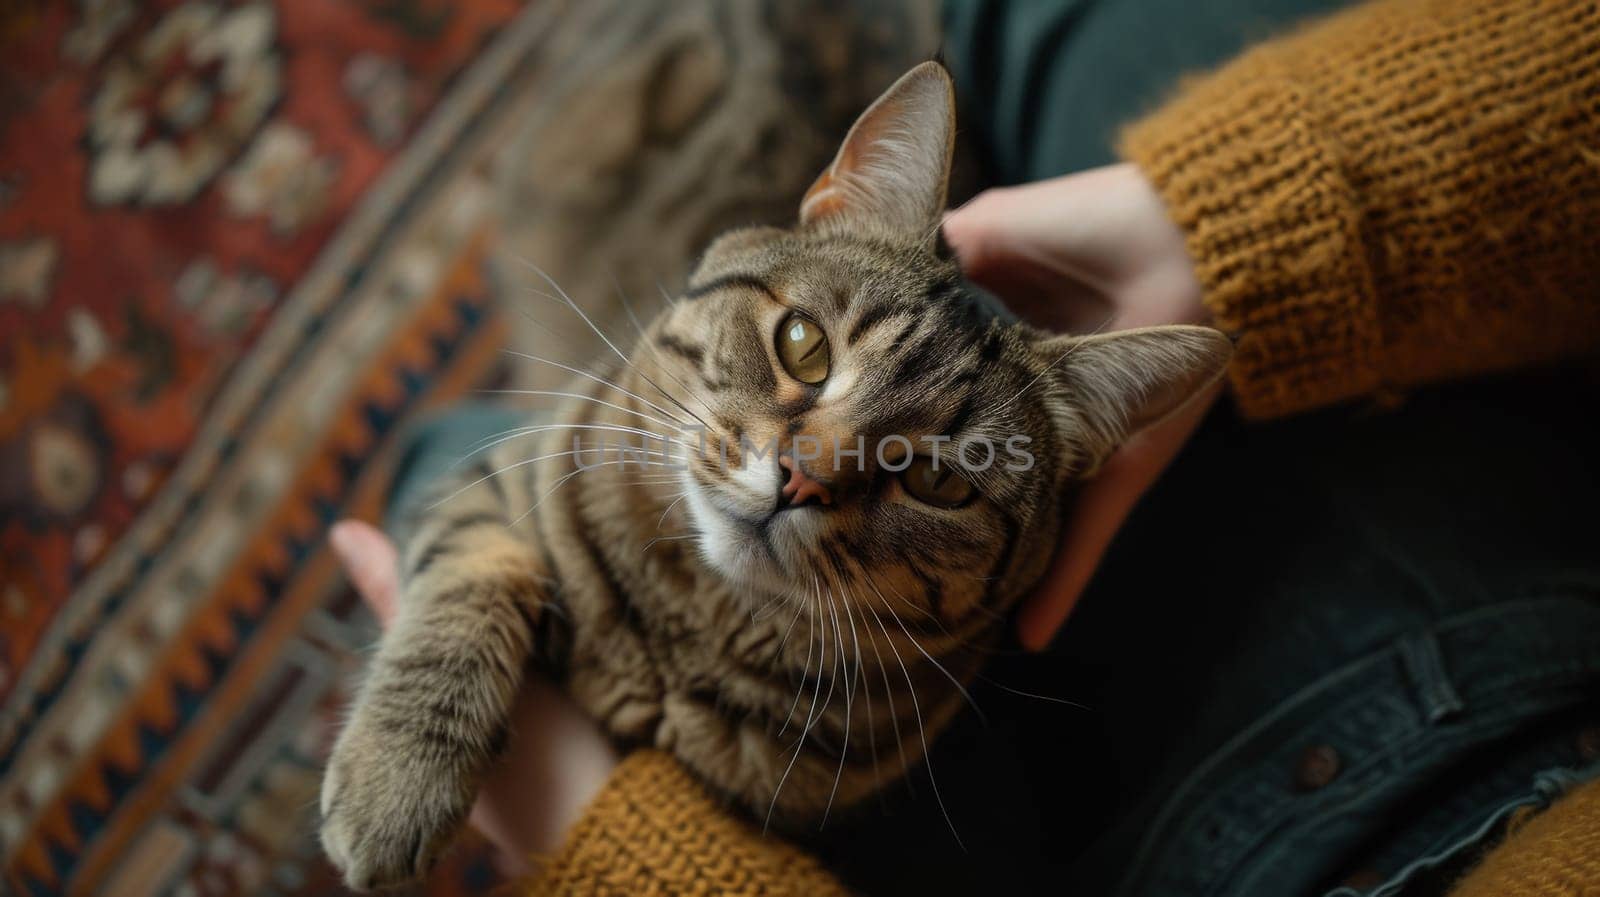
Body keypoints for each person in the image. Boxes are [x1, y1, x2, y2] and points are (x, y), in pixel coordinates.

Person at [329, 0, 1600, 893]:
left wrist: (604, 841)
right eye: (807, 357)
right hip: (1505, 684)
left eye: (925, 472)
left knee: (442, 457)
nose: (807, 472)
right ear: (823, 210)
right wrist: (1224, 218)